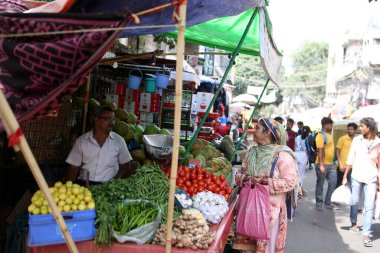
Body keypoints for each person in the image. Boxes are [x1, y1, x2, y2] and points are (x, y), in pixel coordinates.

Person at [233, 118, 298, 253]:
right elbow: (239, 174)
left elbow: (290, 182)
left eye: (257, 128)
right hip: (249, 208)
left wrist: (266, 182)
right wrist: (246, 178)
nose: (253, 131)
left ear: (267, 132)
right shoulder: (252, 152)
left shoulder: (283, 155)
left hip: (270, 214)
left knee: (266, 247)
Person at [66, 105, 134, 186]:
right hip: (84, 185)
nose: (112, 123)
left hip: (107, 187)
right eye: (108, 119)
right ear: (96, 119)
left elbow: (126, 165)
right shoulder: (82, 141)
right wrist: (68, 188)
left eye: (114, 119)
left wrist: (114, 183)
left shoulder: (119, 141)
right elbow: (73, 167)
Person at [342, 117, 380, 248]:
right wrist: (345, 175)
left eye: (362, 126)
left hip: (371, 177)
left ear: (369, 128)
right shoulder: (357, 140)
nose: (360, 128)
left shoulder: (378, 142)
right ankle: (353, 223)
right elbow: (351, 157)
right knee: (354, 200)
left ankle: (366, 234)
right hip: (356, 175)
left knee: (369, 207)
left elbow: (379, 162)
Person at [315, 117, 338, 211]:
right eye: (330, 125)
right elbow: (320, 151)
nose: (331, 126)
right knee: (320, 184)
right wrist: (321, 165)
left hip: (331, 164)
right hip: (322, 164)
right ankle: (319, 203)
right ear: (325, 125)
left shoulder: (329, 135)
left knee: (333, 182)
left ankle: (328, 202)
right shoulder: (320, 136)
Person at [335, 122, 358, 188]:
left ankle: (351, 198)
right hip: (343, 166)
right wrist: (340, 163)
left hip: (353, 167)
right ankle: (336, 198)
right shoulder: (342, 139)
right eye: (348, 129)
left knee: (352, 185)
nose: (349, 131)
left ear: (355, 130)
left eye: (351, 129)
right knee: (339, 185)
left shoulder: (357, 140)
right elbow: (337, 151)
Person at [295, 126, 311, 197]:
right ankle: (298, 191)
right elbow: (308, 149)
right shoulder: (308, 138)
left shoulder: (297, 137)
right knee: (300, 175)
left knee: (295, 173)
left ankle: (299, 188)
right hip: (303, 156)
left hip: (296, 155)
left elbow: (294, 147)